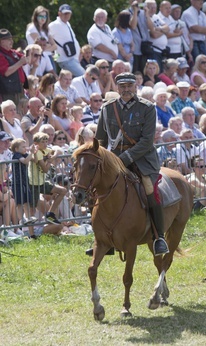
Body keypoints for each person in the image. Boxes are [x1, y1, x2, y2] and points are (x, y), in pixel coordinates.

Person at [95, 72, 169, 256]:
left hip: (142, 160)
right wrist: (101, 161)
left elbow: (146, 141)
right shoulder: (108, 108)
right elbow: (100, 140)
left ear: (136, 87)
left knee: (150, 190)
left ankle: (159, 236)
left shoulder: (147, 108)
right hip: (114, 159)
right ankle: (101, 238)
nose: (126, 89)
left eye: (129, 86)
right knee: (97, 189)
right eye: (122, 86)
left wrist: (124, 159)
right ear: (117, 88)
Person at [28, 131, 67, 225]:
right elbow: (45, 169)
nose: (45, 144)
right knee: (32, 210)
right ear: (36, 144)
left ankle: (50, 214)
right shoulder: (37, 153)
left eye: (46, 141)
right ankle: (30, 234)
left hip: (42, 182)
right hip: (33, 184)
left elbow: (58, 150)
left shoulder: (45, 150)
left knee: (63, 191)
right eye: (43, 142)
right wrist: (50, 161)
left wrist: (53, 156)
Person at [48, 4, 85, 77]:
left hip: (73, 59)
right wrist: (53, 55)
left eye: (68, 13)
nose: (67, 15)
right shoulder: (54, 25)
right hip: (66, 60)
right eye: (65, 13)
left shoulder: (67, 23)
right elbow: (46, 38)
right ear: (59, 13)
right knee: (84, 77)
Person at [26, 6, 58, 74]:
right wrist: (48, 46)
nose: (43, 18)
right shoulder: (32, 28)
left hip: (48, 57)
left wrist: (45, 47)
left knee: (52, 79)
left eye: (45, 16)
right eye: (41, 16)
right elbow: (39, 44)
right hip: (35, 57)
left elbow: (55, 46)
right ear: (36, 16)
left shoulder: (46, 29)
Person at [0, 29, 27, 105]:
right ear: (1, 41)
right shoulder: (1, 54)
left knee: (20, 112)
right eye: (9, 39)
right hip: (8, 90)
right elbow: (6, 72)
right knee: (12, 112)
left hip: (18, 88)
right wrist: (20, 62)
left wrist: (28, 53)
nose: (12, 41)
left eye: (11, 39)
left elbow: (25, 60)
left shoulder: (12, 52)